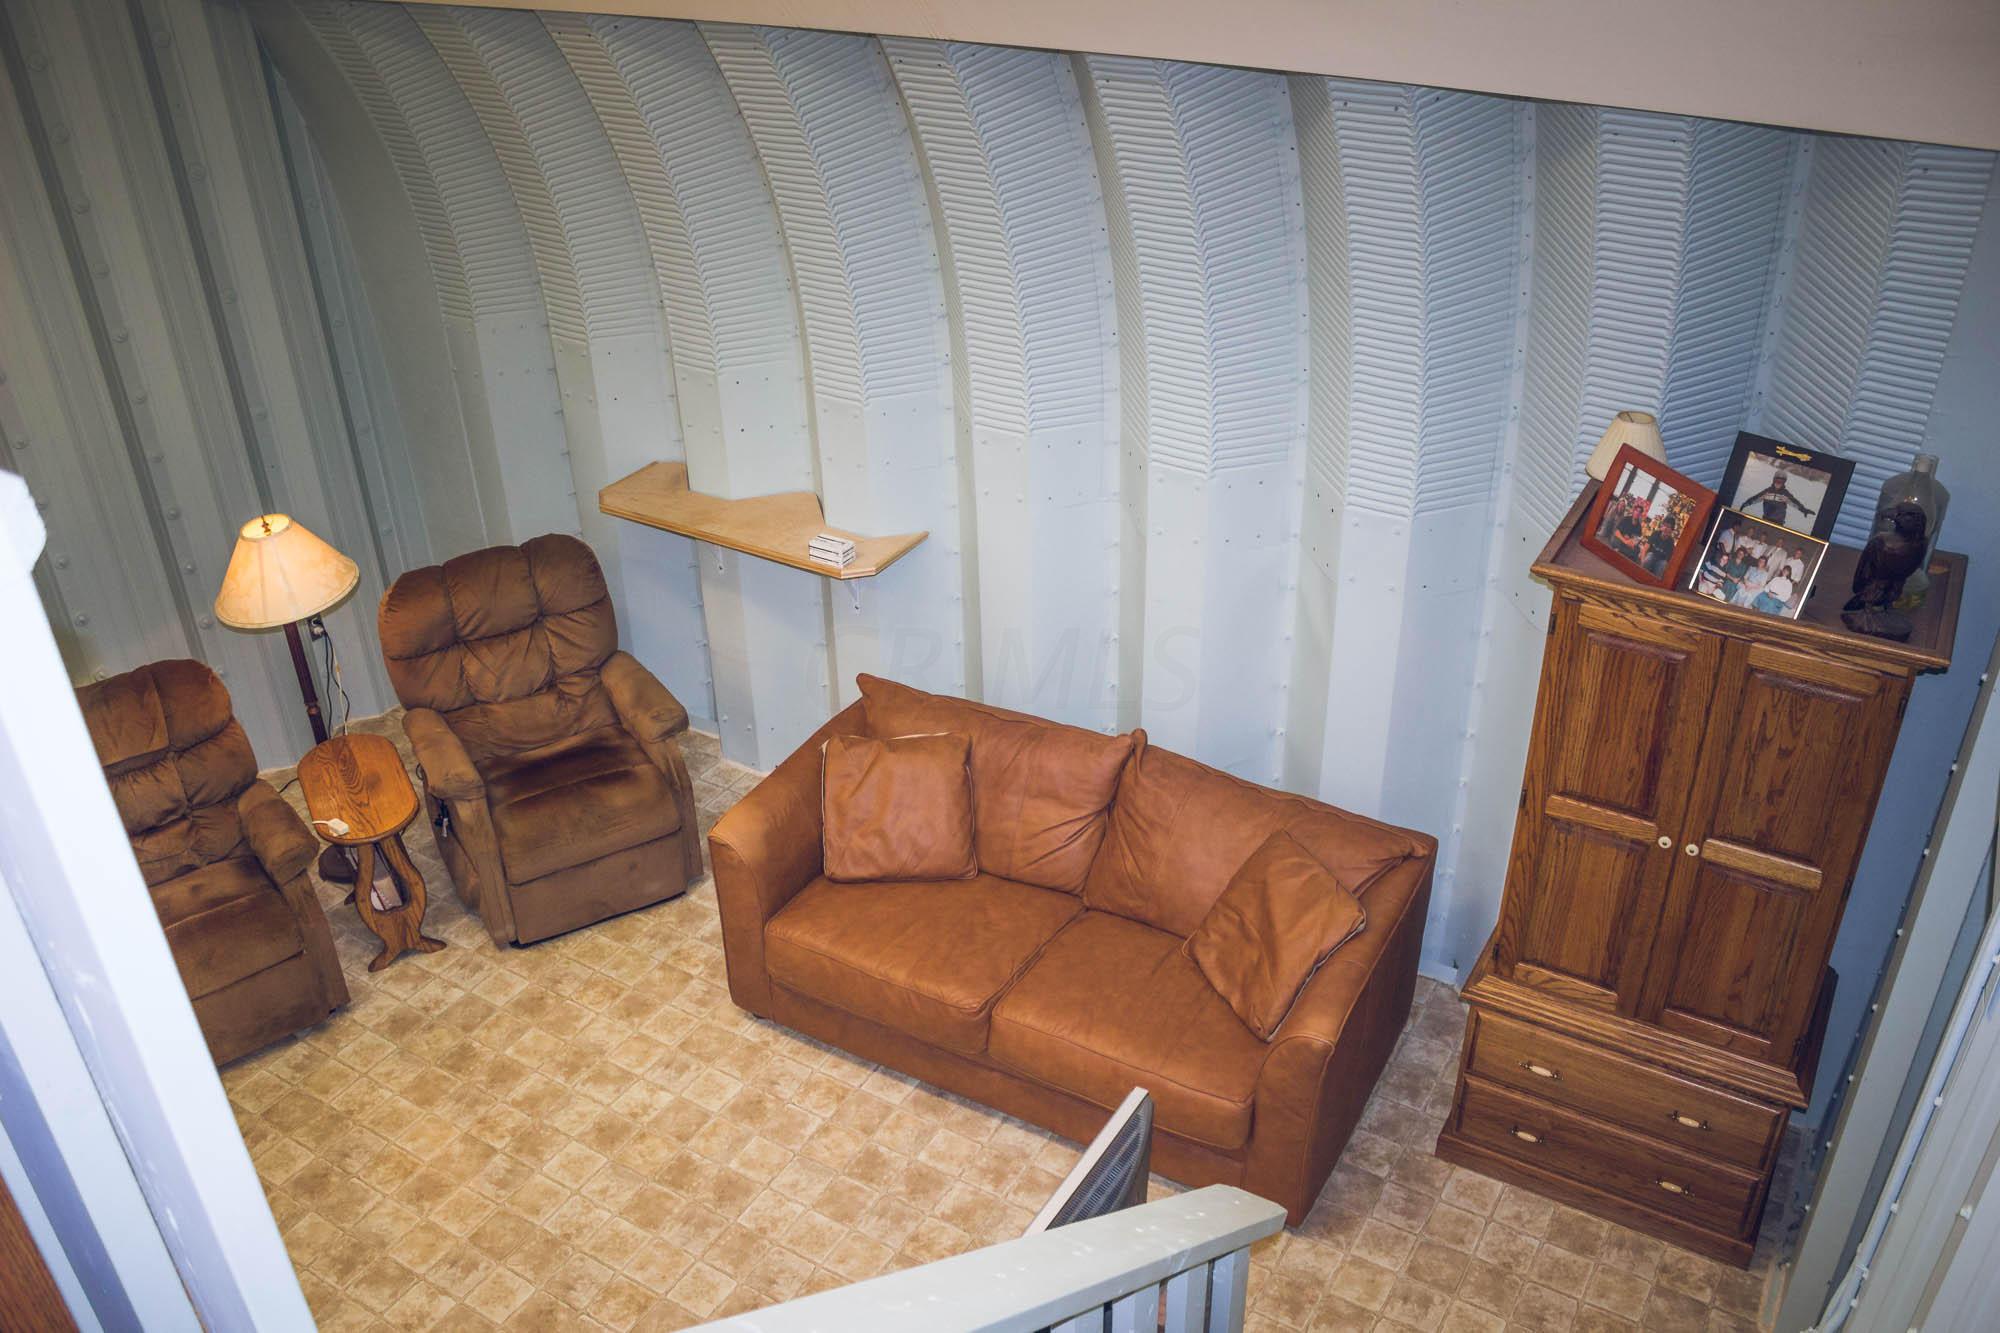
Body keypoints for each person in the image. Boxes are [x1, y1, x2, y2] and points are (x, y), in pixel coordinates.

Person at [1740, 470, 1818, 529]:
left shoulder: (1785, 493)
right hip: (1766, 519)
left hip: (1778, 522)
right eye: (1777, 481)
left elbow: (1794, 502)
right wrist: (1746, 504)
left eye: (1781, 482)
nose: (1778, 483)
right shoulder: (1767, 491)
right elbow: (1756, 498)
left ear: (1784, 483)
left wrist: (1804, 510)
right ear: (1774, 480)